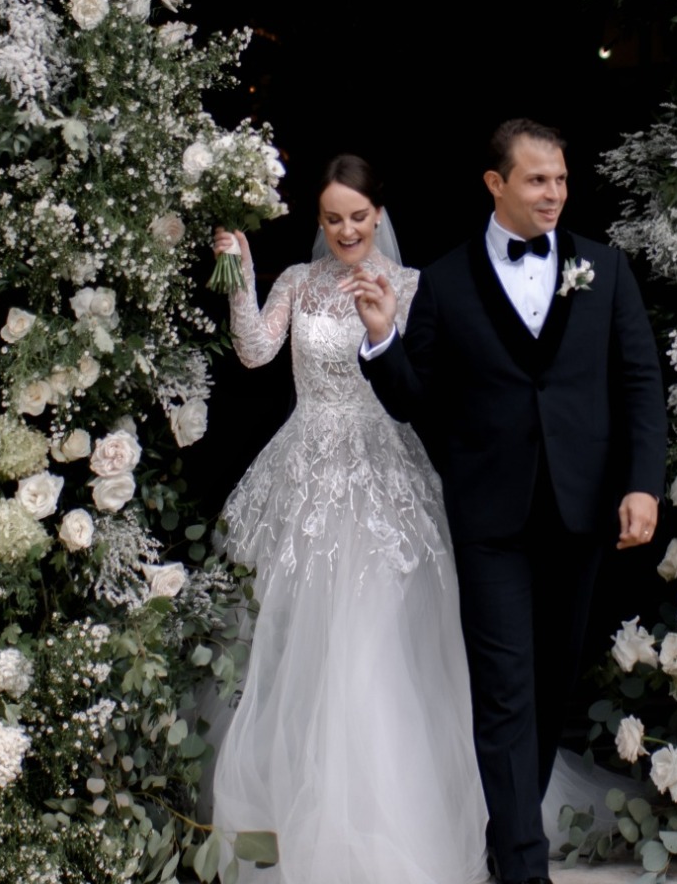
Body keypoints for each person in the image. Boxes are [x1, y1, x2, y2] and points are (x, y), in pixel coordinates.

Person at [347, 119, 669, 884]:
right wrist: (383, 341)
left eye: (559, 179)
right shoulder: (447, 281)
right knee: (504, 691)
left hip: (582, 510)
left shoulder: (606, 267)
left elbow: (639, 383)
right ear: (496, 184)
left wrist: (642, 482)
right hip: (490, 518)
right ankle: (524, 865)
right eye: (536, 180)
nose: (554, 193)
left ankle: (508, 831)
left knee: (553, 686)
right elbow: (413, 401)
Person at [210, 154, 489, 884]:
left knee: (377, 643)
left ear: (379, 214)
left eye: (357, 217)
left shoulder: (411, 284)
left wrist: (387, 325)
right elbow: (255, 351)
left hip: (382, 472)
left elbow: (430, 386)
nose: (345, 231)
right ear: (319, 220)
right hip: (304, 471)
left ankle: (386, 817)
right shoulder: (297, 283)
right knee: (303, 640)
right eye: (332, 219)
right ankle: (299, 809)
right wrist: (238, 271)